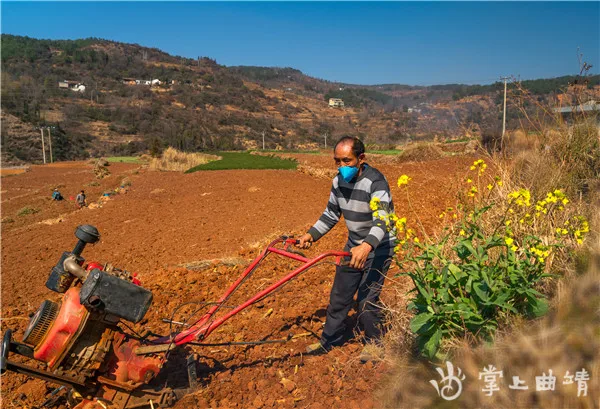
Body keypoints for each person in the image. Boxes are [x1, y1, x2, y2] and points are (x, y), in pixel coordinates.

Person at [297, 136, 396, 363]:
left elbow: (383, 221)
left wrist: (368, 245)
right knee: (340, 295)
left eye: (346, 161)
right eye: (337, 161)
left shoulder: (376, 183)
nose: (341, 167)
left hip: (379, 245)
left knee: (366, 299)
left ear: (361, 159)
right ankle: (330, 340)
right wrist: (310, 235)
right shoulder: (338, 182)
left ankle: (374, 343)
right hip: (354, 245)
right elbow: (331, 214)